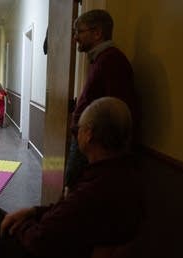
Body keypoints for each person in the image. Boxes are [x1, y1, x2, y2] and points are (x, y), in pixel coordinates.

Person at [0, 97, 143, 258]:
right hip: (68, 245)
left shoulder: (94, 188)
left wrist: (23, 225)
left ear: (88, 134)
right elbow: (68, 214)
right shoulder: (123, 175)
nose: (75, 134)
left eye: (77, 129)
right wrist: (35, 211)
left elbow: (41, 239)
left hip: (48, 251)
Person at [65, 9, 138, 191]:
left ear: (97, 33)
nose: (75, 38)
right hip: (86, 143)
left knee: (77, 195)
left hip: (94, 148)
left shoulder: (112, 61)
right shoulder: (100, 60)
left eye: (79, 32)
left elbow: (118, 111)